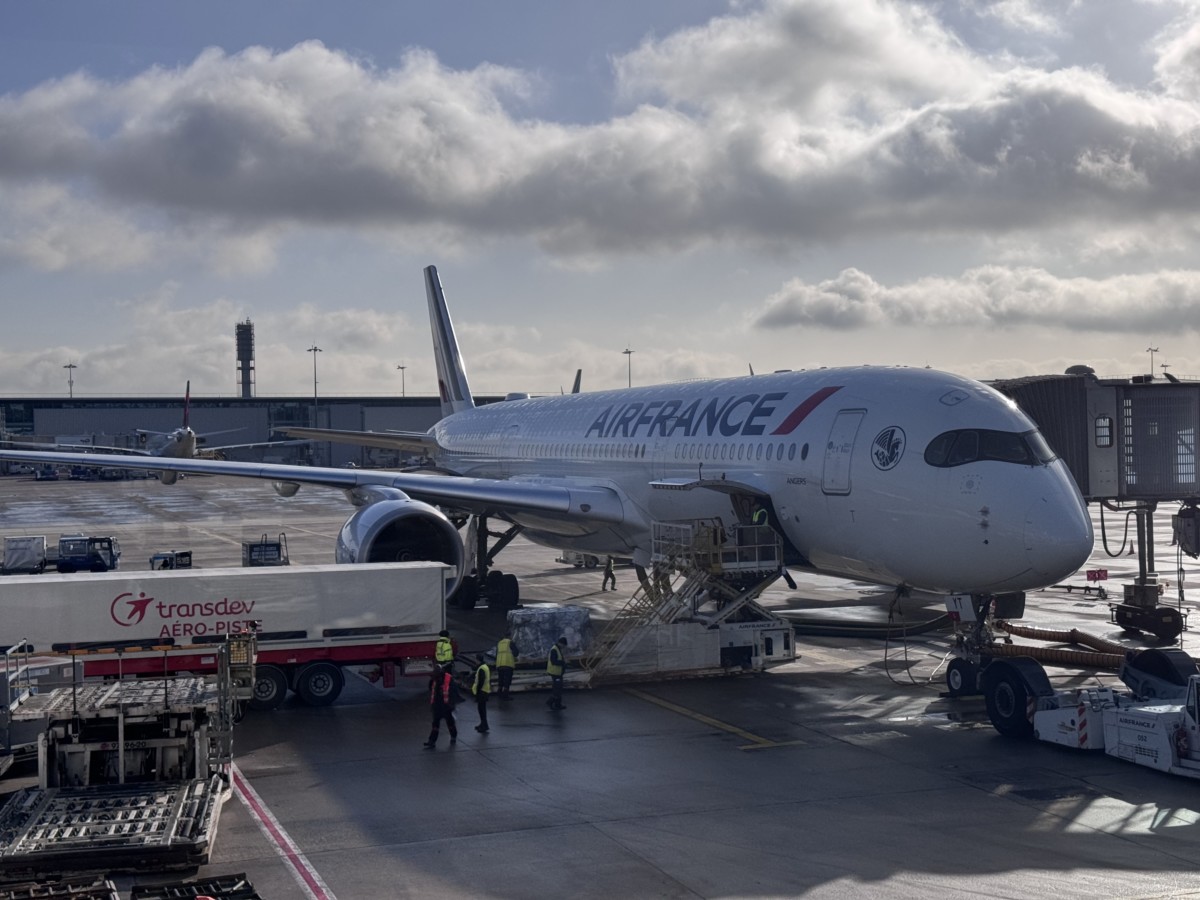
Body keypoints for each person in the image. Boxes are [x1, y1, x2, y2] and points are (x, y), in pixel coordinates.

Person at [423, 664, 459, 749]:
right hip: (438, 705)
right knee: (435, 724)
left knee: (450, 722)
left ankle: (453, 735)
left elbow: (453, 692)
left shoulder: (448, 679)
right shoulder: (434, 680)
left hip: (446, 706)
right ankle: (432, 741)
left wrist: (452, 704)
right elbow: (431, 690)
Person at [495, 632, 519, 700]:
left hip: (499, 664)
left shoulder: (499, 643)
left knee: (501, 679)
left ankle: (499, 693)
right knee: (507, 680)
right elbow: (516, 653)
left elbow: (496, 654)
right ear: (509, 636)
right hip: (507, 663)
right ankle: (505, 695)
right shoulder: (510, 642)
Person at [546, 637, 567, 710]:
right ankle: (550, 702)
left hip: (558, 672)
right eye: (563, 645)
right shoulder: (554, 650)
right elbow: (553, 661)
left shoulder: (558, 649)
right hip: (555, 673)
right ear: (560, 643)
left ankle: (558, 704)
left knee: (559, 688)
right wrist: (563, 663)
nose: (564, 647)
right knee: (557, 689)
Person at [472, 654, 491, 732]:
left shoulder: (481, 669)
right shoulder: (484, 667)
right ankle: (483, 724)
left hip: (482, 692)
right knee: (482, 709)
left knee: (482, 710)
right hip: (485, 691)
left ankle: (484, 725)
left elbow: (480, 681)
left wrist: (477, 692)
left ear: (477, 660)